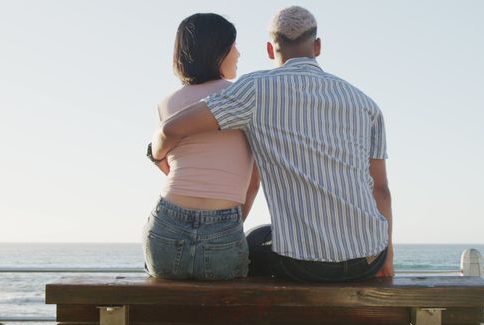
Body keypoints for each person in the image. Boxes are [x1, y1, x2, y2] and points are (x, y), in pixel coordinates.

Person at [150, 6, 393, 282]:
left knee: (252, 242)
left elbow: (173, 128)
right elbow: (381, 191)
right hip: (370, 258)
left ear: (269, 49)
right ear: (318, 46)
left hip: (303, 264)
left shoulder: (255, 90)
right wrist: (388, 257)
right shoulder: (367, 105)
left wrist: (155, 153)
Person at [144, 13, 259, 280]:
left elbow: (167, 167)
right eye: (233, 46)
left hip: (165, 224)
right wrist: (227, 226)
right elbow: (252, 184)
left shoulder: (166, 104)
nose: (239, 53)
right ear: (218, 51)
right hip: (223, 223)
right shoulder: (243, 100)